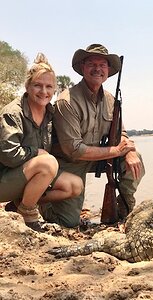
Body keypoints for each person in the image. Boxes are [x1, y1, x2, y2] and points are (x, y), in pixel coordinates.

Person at [40, 44, 145, 229]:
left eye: (102, 64)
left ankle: (125, 210)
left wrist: (128, 152)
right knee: (67, 222)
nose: (97, 69)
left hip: (98, 157)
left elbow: (121, 133)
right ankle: (39, 202)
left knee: (136, 159)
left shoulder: (112, 100)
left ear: (108, 70)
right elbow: (73, 151)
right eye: (91, 63)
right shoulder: (67, 100)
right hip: (69, 161)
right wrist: (115, 151)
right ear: (82, 67)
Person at [0, 53, 84, 232]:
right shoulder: (12, 113)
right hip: (3, 179)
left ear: (55, 89)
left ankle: (19, 205)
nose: (43, 92)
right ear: (27, 86)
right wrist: (36, 152)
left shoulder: (51, 113)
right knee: (48, 162)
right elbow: (9, 156)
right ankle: (28, 215)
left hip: (25, 177)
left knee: (75, 185)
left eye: (49, 86)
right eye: (37, 85)